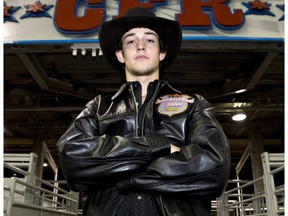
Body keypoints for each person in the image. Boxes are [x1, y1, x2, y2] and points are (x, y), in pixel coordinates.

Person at [57, 7, 230, 216]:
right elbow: (72, 159)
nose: (140, 46)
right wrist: (160, 145)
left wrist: (125, 177)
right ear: (120, 55)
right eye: (130, 41)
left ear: (162, 52)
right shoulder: (98, 107)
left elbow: (214, 169)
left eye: (150, 40)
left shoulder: (194, 104)